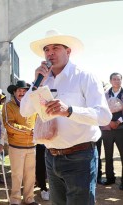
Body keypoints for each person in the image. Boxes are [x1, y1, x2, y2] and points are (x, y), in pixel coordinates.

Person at [20, 30, 112, 204]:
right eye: (46, 49)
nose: (50, 53)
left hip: (80, 158)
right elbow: (24, 111)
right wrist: (36, 82)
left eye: (56, 47)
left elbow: (104, 116)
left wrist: (69, 111)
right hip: (51, 157)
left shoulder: (85, 77)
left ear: (68, 51)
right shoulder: (42, 80)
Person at [2, 80, 39, 205]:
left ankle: (29, 198)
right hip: (16, 146)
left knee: (30, 174)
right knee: (17, 175)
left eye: (24, 91)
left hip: (32, 145)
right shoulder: (8, 106)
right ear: (14, 92)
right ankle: (15, 200)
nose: (22, 93)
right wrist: (29, 131)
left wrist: (37, 131)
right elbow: (8, 124)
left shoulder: (33, 106)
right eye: (19, 91)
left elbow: (38, 121)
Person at [100, 72, 123, 190]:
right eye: (114, 79)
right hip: (107, 128)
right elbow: (102, 110)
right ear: (110, 81)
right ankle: (110, 178)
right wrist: (109, 122)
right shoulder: (105, 95)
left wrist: (118, 121)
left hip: (121, 129)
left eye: (119, 79)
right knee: (108, 155)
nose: (116, 81)